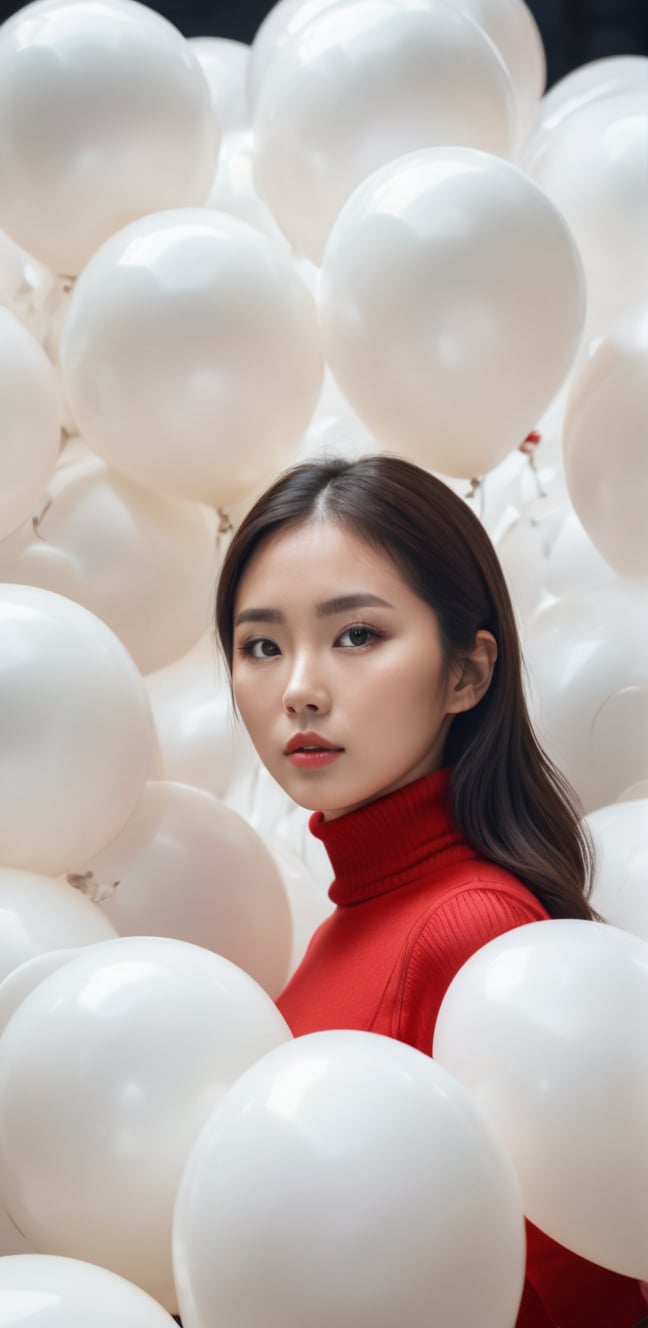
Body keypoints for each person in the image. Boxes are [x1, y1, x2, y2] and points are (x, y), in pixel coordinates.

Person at [215, 453, 647, 1328]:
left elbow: (588, 1305)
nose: (298, 687)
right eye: (262, 645)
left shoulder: (475, 934)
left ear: (468, 673)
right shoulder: (349, 923)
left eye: (356, 635)